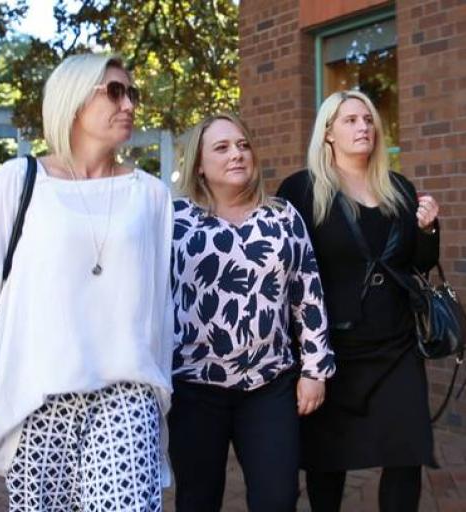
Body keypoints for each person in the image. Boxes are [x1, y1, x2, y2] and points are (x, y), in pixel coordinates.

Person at [0, 54, 174, 511]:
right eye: (115, 92)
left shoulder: (152, 195)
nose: (129, 105)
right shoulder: (18, 182)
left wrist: (159, 395)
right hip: (38, 400)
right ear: (74, 100)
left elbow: (161, 309)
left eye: (132, 93)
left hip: (127, 397)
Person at [277, 90, 440, 512]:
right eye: (350, 120)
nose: (363, 127)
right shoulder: (301, 190)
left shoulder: (398, 188)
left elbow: (420, 263)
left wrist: (428, 230)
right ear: (327, 132)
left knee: (407, 454)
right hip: (331, 350)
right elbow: (286, 272)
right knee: (328, 462)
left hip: (396, 346)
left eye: (368, 120)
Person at [168, 112, 335, 512]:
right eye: (222, 148)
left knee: (278, 499)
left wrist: (315, 370)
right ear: (199, 164)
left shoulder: (281, 216)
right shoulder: (173, 222)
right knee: (197, 500)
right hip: (193, 387)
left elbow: (307, 293)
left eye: (243, 145)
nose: (237, 154)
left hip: (269, 384)